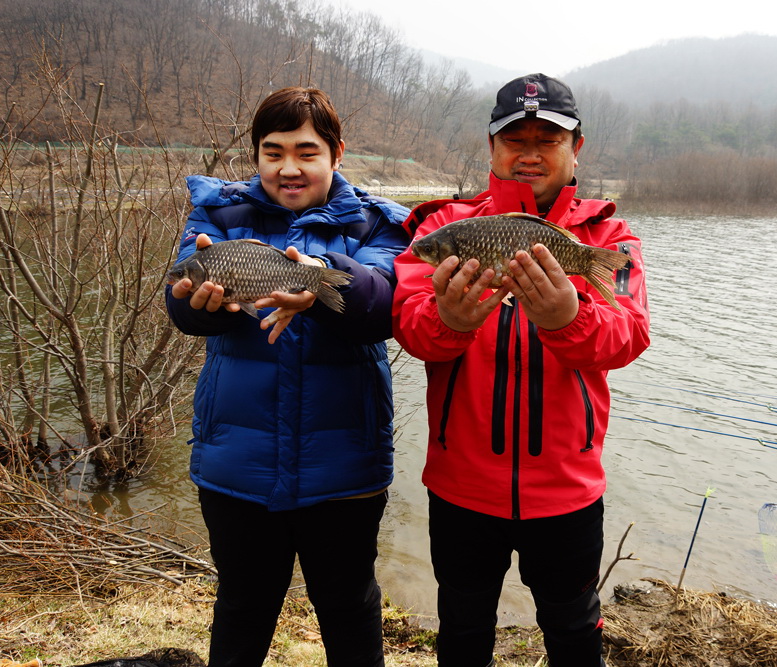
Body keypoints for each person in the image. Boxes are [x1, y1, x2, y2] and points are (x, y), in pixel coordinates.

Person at [391, 73, 651, 667]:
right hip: (460, 486)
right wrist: (450, 322)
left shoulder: (609, 237)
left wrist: (568, 319)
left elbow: (629, 335)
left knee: (574, 629)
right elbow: (410, 326)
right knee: (462, 628)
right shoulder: (442, 226)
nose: (530, 153)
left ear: (575, 148)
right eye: (515, 139)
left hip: (566, 490)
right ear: (492, 147)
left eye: (548, 140)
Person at [166, 86, 409, 667]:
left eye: (306, 152)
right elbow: (181, 308)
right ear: (256, 155)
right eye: (273, 153)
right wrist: (202, 302)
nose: (288, 168)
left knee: (350, 607)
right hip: (236, 461)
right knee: (242, 607)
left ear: (336, 154)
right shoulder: (218, 214)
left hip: (345, 464)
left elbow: (383, 307)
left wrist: (320, 279)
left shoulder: (377, 222)